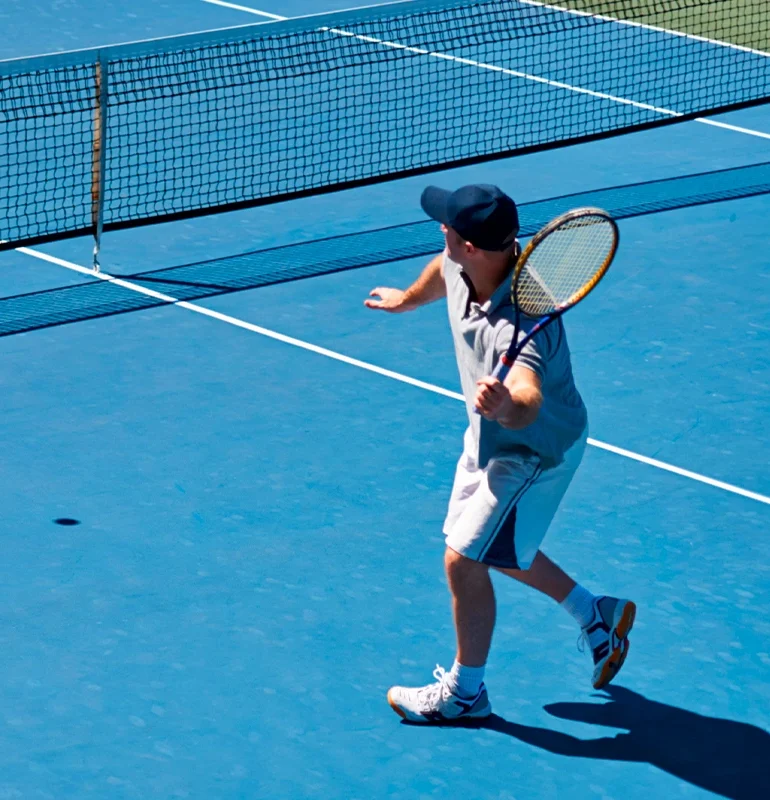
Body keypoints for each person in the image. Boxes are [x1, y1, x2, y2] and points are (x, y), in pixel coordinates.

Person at [364, 184, 635, 724]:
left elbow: (529, 400)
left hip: (534, 452)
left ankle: (466, 694)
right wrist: (406, 298)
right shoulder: (464, 259)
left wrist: (507, 403)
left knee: (464, 560)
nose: (441, 229)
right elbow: (440, 269)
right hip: (487, 440)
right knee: (489, 546)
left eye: (450, 227)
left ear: (474, 246)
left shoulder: (524, 324)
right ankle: (594, 613)